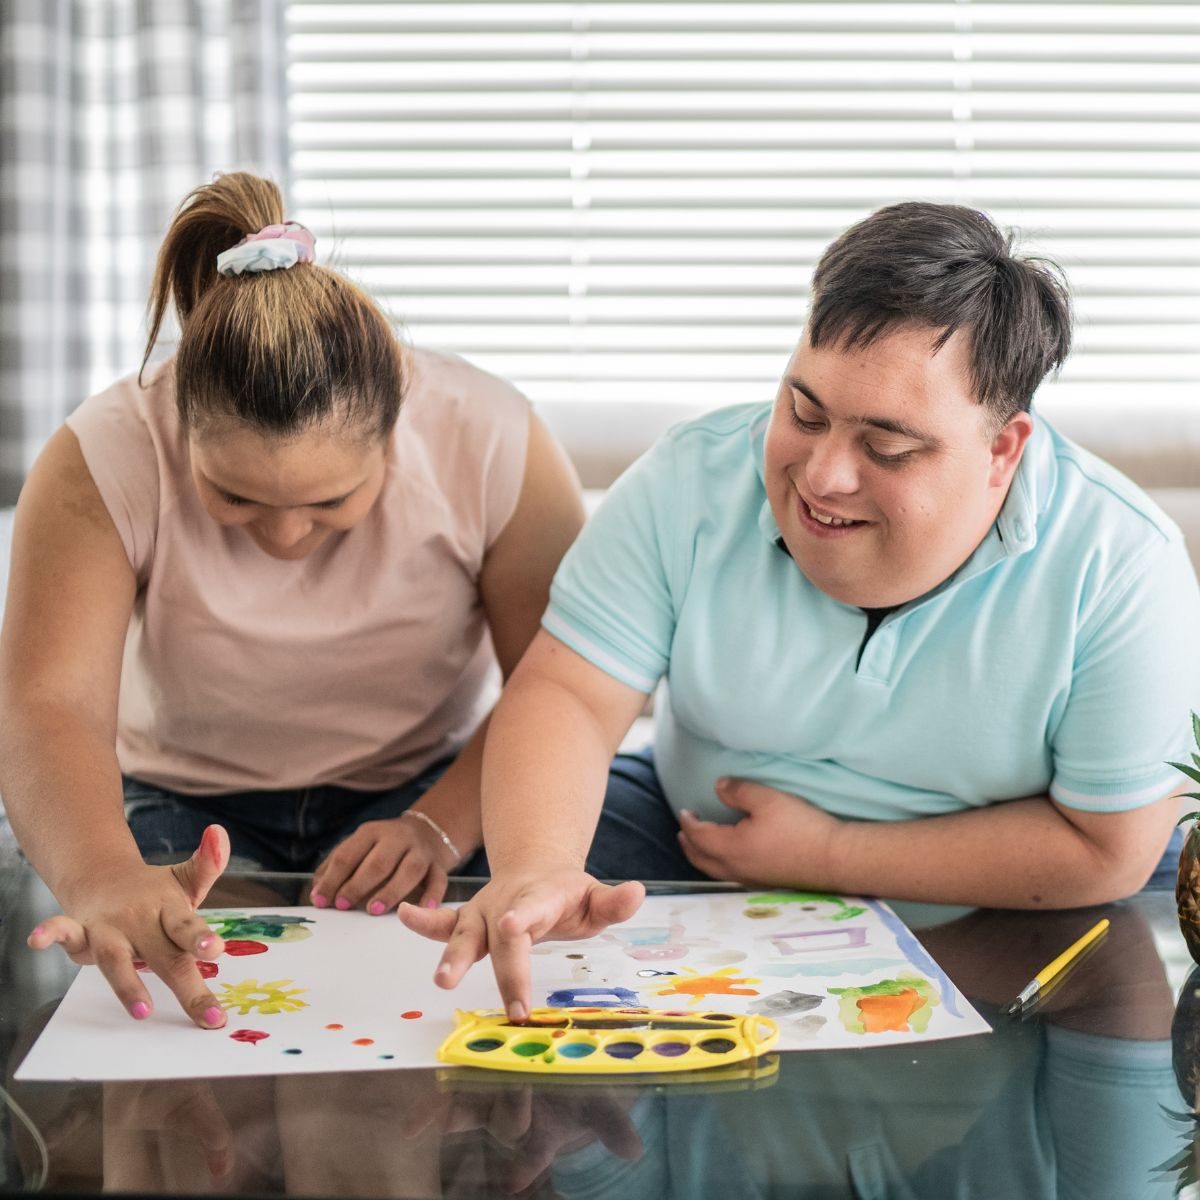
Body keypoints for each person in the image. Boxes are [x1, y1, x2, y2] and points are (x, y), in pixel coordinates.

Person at [401, 201, 1200, 1019]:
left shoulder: (1124, 564)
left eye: (886, 449)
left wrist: (829, 854)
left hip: (1013, 901)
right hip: (692, 842)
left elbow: (1106, 849)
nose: (821, 477)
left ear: (1002, 450)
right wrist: (538, 865)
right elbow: (567, 691)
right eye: (804, 413)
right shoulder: (690, 478)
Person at [0, 172, 584, 1028]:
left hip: (427, 784)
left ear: (397, 426)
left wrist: (437, 825)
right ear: (178, 423)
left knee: (401, 1033)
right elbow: (48, 704)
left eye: (329, 504)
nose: (283, 538)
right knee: (187, 1010)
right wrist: (101, 874)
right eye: (235, 499)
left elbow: (557, 685)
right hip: (178, 798)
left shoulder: (493, 439)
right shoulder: (103, 453)